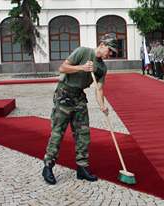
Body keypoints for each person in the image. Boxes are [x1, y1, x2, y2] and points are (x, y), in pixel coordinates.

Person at [42, 34, 117, 185]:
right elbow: (62, 68)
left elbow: (99, 89)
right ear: (102, 45)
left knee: (83, 134)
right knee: (58, 132)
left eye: (113, 53)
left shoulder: (102, 67)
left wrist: (102, 105)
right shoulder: (83, 52)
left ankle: (82, 168)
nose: (110, 54)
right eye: (110, 50)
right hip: (64, 94)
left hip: (79, 97)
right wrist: (81, 68)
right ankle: (48, 166)